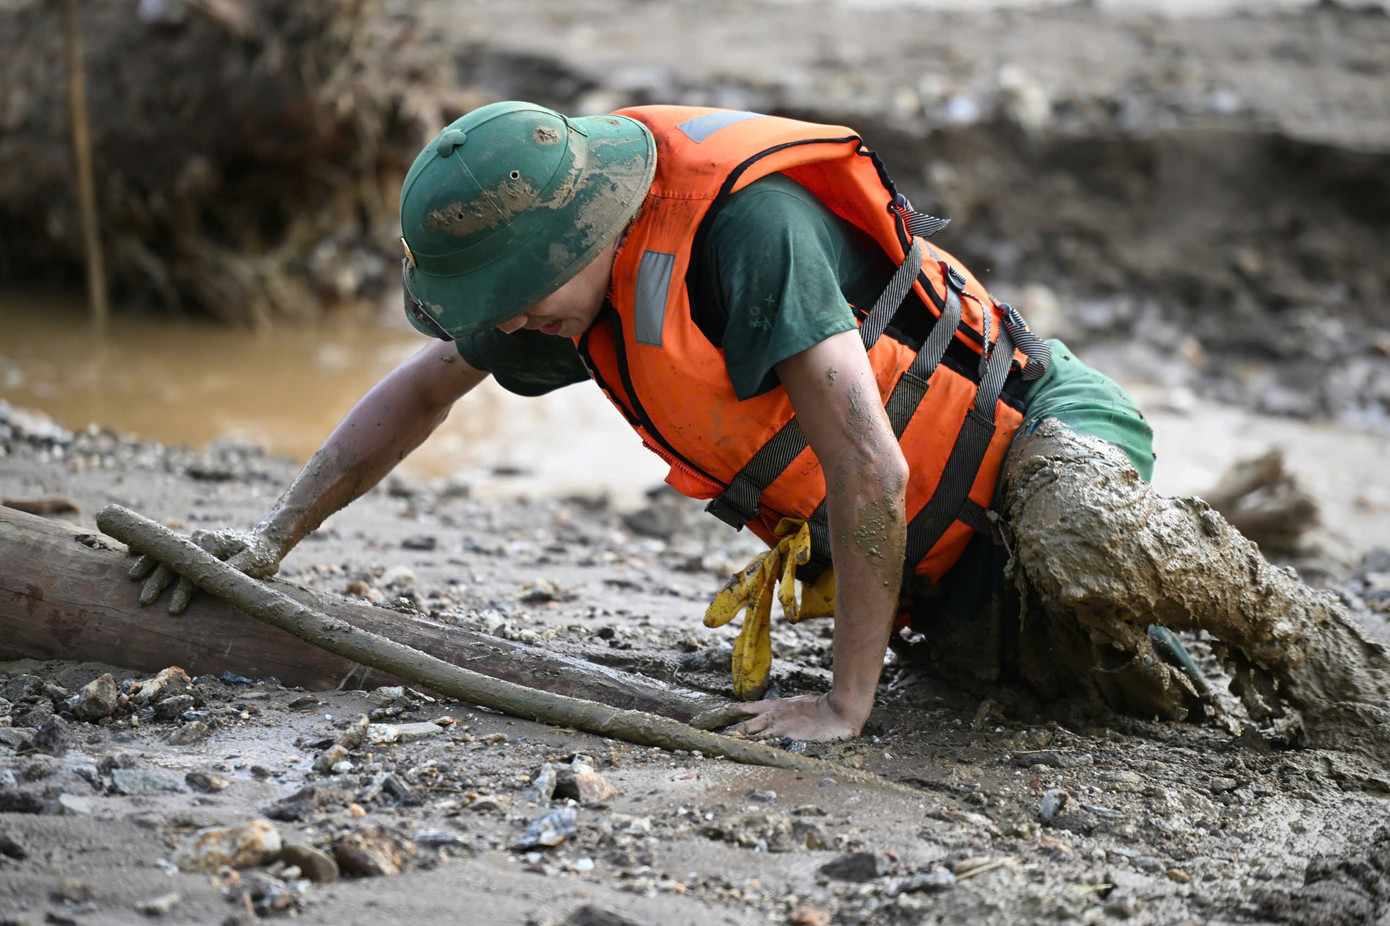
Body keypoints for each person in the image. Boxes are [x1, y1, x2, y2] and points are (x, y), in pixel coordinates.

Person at [130, 102, 1389, 748]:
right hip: (942, 561)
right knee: (1134, 701)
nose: (507, 324)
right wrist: (269, 540)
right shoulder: (563, 289)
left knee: (1084, 543)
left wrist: (845, 705)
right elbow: (418, 392)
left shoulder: (745, 234)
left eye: (518, 294)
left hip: (1049, 439)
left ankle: (1305, 630)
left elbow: (869, 463)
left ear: (589, 228)